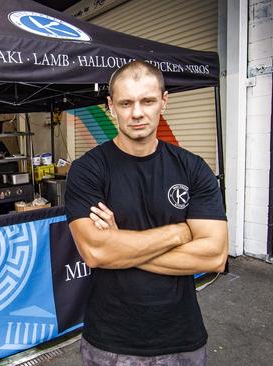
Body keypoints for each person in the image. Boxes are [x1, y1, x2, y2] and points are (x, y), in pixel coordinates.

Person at [64, 60, 228, 366]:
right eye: (126, 103)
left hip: (182, 338)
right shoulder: (88, 171)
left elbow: (214, 256)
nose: (137, 113)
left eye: (147, 101)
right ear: (110, 107)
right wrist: (177, 233)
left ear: (163, 102)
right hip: (111, 342)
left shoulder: (192, 168)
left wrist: (120, 246)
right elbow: (96, 252)